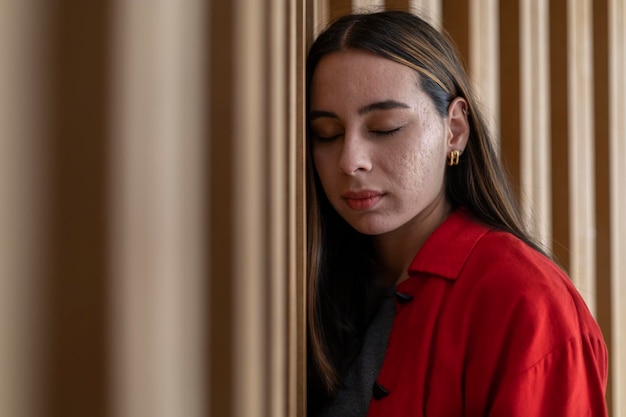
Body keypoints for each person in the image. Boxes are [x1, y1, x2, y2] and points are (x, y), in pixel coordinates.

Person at [305, 10, 608, 417]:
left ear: (455, 130)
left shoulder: (524, 300)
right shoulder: (310, 285)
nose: (350, 160)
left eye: (385, 128)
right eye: (328, 134)